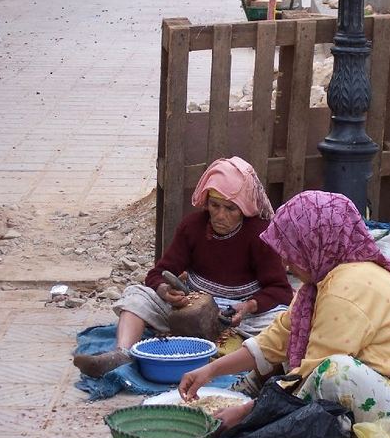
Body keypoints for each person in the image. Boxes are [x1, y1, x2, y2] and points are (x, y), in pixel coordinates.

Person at [180, 190, 390, 438]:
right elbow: (277, 338)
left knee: (333, 371)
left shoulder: (347, 288)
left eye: (292, 251)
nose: (287, 264)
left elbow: (312, 373)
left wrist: (244, 413)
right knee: (296, 356)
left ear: (315, 244)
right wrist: (210, 371)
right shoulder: (326, 281)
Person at [73, 157, 293, 378]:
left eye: (230, 209)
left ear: (244, 209)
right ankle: (121, 354)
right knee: (136, 295)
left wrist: (247, 307)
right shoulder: (193, 227)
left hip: (240, 316)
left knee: (285, 320)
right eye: (214, 206)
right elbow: (158, 273)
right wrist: (164, 291)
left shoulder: (260, 234)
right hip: (191, 309)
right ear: (206, 203)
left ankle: (244, 365)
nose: (220, 215)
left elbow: (280, 290)